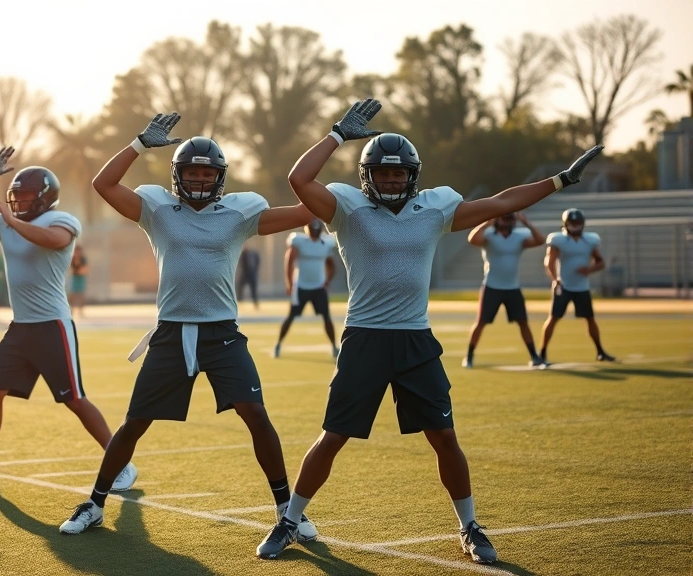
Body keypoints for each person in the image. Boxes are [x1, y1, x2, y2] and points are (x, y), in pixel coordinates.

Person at [257, 98, 604, 563]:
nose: (392, 181)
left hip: (415, 338)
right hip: (365, 336)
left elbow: (502, 201)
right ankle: (290, 520)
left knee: (444, 436)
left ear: (412, 176)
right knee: (334, 435)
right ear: (368, 176)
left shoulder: (433, 208)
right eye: (383, 174)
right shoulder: (348, 208)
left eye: (399, 174)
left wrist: (560, 181)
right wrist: (337, 134)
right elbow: (298, 180)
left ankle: (469, 526)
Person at [58, 112, 318, 542]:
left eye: (206, 172)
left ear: (220, 177)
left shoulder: (240, 211)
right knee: (135, 422)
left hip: (222, 333)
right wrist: (139, 144)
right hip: (172, 332)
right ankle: (95, 503)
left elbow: (308, 209)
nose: (199, 179)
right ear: (177, 175)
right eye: (191, 171)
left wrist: (344, 182)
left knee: (256, 415)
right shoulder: (158, 209)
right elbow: (103, 185)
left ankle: (287, 511)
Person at [0, 147, 136, 490]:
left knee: (74, 399)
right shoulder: (7, 223)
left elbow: (51, 240)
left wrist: (10, 220)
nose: (20, 202)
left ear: (46, 198)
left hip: (52, 326)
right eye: (16, 196)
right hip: (20, 328)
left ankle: (121, 463)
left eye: (28, 195)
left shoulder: (60, 221)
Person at [462, 212, 545, 369]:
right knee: (481, 322)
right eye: (504, 217)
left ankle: (534, 356)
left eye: (510, 218)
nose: (507, 221)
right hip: (492, 286)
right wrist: (487, 222)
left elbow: (540, 240)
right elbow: (472, 239)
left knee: (523, 322)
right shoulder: (489, 235)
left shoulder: (519, 237)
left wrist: (527, 223)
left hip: (512, 287)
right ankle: (469, 356)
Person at [538, 208, 615, 363]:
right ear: (566, 224)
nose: (576, 226)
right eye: (573, 223)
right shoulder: (558, 239)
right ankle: (542, 353)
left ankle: (600, 351)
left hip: (582, 287)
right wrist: (555, 279)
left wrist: (589, 269)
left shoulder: (590, 240)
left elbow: (600, 262)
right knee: (553, 318)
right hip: (563, 285)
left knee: (590, 319)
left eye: (578, 223)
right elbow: (549, 261)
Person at [273, 218, 338, 359]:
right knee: (290, 317)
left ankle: (334, 346)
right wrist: (289, 283)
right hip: (301, 286)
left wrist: (327, 281)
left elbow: (331, 265)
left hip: (318, 288)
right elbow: (289, 261)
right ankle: (278, 344)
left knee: (326, 317)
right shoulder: (299, 242)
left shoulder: (325, 243)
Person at [68, 244, 88, 317]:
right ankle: (72, 309)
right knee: (73, 294)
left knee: (81, 294)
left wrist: (78, 271)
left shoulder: (83, 259)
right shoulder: (73, 259)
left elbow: (84, 270)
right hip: (74, 277)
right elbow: (71, 269)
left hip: (81, 278)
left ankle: (81, 310)